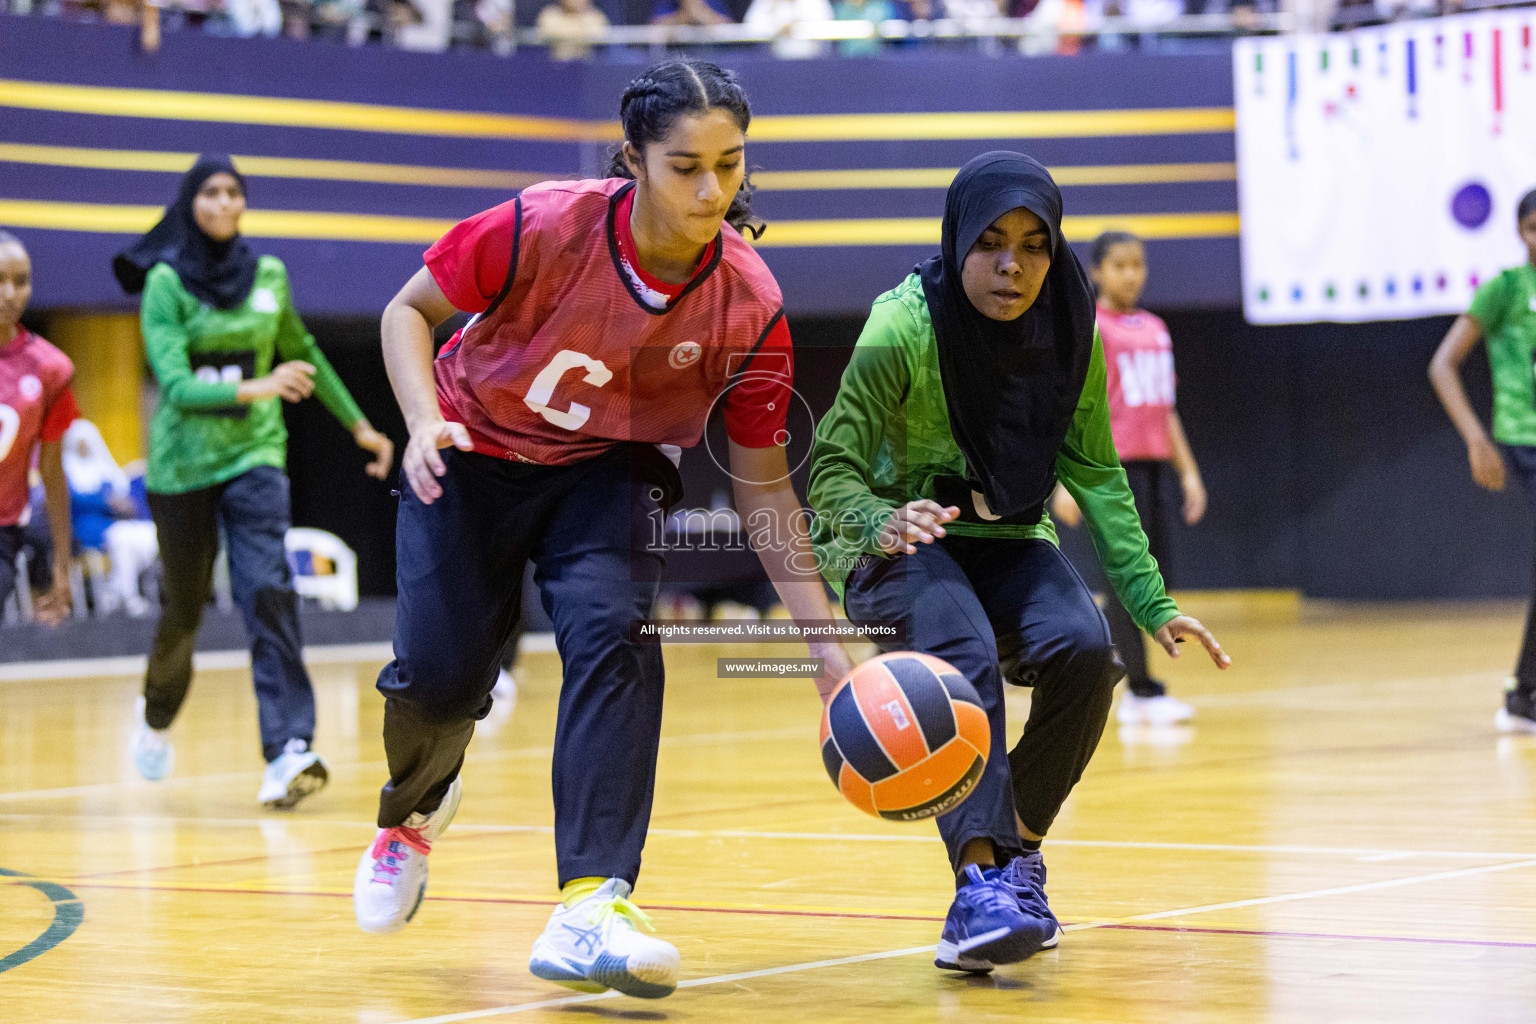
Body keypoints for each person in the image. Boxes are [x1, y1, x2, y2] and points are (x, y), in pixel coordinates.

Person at [350, 60, 854, 1000]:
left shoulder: (750, 302)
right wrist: (423, 422)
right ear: (634, 160)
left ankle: (593, 900)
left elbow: (763, 483)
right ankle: (413, 812)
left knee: (618, 633)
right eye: (686, 167)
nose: (712, 191)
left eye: (731, 166)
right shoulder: (543, 222)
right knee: (438, 679)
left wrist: (823, 641)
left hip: (611, 470)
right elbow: (405, 313)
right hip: (470, 447)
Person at [808, 152, 1229, 975]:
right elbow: (829, 472)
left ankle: (1016, 861)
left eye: (1035, 244)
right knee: (960, 661)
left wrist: (1150, 601)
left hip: (1008, 540)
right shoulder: (904, 324)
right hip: (898, 542)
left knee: (1085, 651)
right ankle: (976, 889)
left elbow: (1098, 473)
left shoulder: (1072, 327)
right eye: (992, 242)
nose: (1013, 264)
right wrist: (880, 519)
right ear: (959, 238)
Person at [112, 155, 394, 806]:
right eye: (210, 193)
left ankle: (288, 750)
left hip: (255, 455)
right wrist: (261, 384)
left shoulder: (269, 275)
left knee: (267, 588)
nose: (224, 203)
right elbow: (177, 386)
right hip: (183, 465)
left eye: (234, 192)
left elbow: (304, 353)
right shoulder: (165, 283)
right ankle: (156, 713)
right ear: (190, 205)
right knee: (185, 609)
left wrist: (359, 426)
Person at [1050, 230, 1207, 726]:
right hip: (1108, 473)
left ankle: (1129, 682)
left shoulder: (1158, 329)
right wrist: (1065, 482)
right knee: (1120, 583)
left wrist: (1190, 474)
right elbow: (1069, 408)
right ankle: (1140, 690)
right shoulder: (1091, 327)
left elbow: (1166, 409)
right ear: (1096, 271)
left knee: (1148, 580)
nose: (1131, 274)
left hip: (1153, 469)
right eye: (1119, 265)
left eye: (1137, 264)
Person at [1429, 187, 1536, 735]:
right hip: (1524, 436)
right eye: (1533, 226)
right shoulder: (1505, 289)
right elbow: (1443, 364)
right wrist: (1476, 438)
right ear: (1520, 232)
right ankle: (1524, 697)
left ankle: (1525, 696)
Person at [0, 230, 76, 625]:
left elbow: (51, 471)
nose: (10, 293)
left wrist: (62, 565)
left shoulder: (50, 369)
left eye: (21, 281)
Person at [62, 418, 159, 617]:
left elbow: (121, 494)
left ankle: (117, 590)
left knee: (146, 534)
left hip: (113, 524)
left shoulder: (103, 469)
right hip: (85, 527)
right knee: (122, 538)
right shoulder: (66, 471)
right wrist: (106, 501)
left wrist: (122, 503)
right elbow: (74, 500)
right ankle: (128, 596)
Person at [536, 0, 610, 60]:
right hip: (556, 67)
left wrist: (566, 28)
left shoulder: (595, 17)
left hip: (586, 69)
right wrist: (581, 28)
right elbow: (549, 31)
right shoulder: (550, 14)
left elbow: (597, 32)